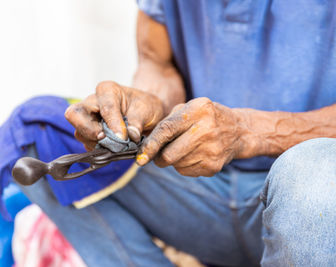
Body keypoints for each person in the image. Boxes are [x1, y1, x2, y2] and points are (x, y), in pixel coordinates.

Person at [28, 1, 336, 266]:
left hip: (310, 207)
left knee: (311, 179)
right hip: (200, 192)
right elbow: (156, 63)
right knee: (41, 127)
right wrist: (147, 107)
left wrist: (246, 131)